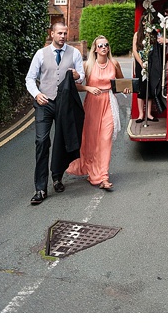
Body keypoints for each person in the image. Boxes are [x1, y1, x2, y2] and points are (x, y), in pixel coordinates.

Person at [25, 19, 85, 205]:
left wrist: (77, 76)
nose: (63, 36)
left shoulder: (74, 52)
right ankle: (40, 188)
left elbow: (82, 76)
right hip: (45, 103)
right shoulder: (40, 54)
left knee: (62, 141)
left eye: (65, 33)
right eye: (60, 33)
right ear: (52, 34)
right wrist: (37, 94)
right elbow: (29, 78)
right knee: (42, 141)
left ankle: (57, 177)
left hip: (64, 104)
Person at [66, 35, 123, 191]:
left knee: (105, 139)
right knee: (91, 140)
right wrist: (88, 88)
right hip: (92, 104)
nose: (104, 47)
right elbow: (75, 86)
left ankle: (103, 177)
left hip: (109, 103)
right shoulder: (87, 65)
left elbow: (120, 83)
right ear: (95, 49)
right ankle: (91, 170)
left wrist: (126, 88)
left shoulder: (114, 64)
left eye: (106, 45)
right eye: (100, 45)